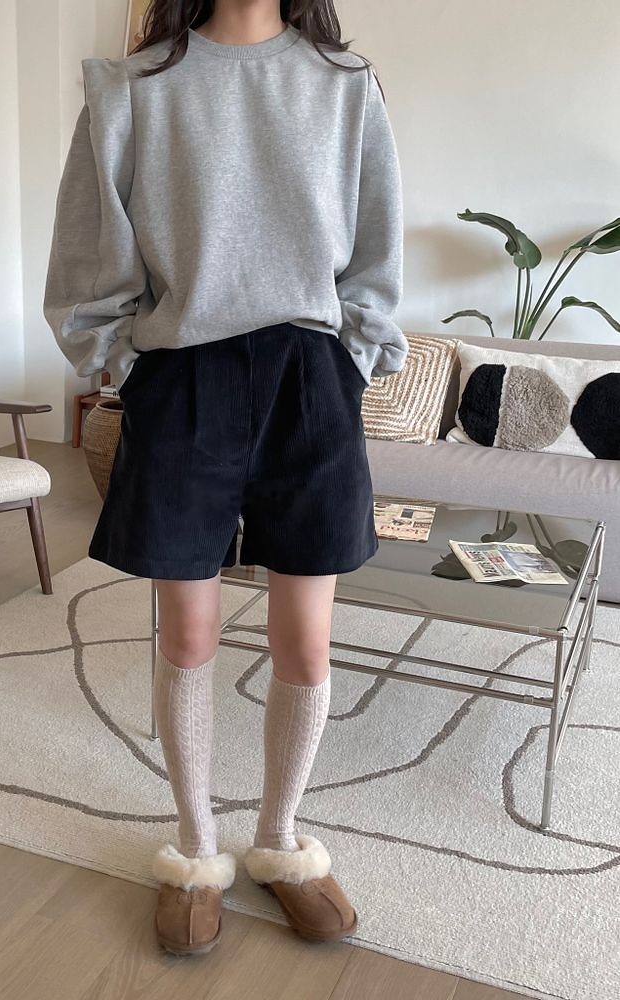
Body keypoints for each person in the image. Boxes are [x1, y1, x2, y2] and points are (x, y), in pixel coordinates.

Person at [43, 0, 407, 958]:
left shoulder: (346, 86)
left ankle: (281, 840)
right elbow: (87, 255)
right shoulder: (131, 88)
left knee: (307, 642)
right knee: (188, 634)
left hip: (310, 378)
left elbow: (376, 251)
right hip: (183, 378)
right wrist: (127, 368)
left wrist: (350, 363)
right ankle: (197, 848)